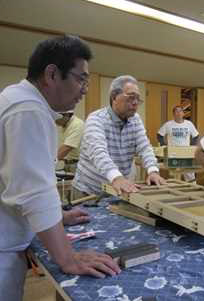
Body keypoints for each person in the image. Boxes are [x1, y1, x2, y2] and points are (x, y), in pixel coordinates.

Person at [0, 35, 120, 301]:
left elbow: (17, 180)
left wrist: (57, 215)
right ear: (52, 74)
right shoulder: (28, 110)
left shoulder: (16, 98)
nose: (85, 89)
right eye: (81, 79)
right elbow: (33, 192)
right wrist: (68, 258)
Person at [72, 75, 165, 198]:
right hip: (89, 191)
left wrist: (153, 171)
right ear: (114, 97)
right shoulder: (96, 119)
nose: (136, 102)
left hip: (117, 189)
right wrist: (116, 177)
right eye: (131, 97)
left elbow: (144, 147)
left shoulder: (135, 120)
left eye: (138, 98)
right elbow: (98, 152)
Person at [157, 105, 199, 181]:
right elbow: (159, 135)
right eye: (176, 111)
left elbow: (196, 136)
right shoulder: (168, 124)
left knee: (190, 174)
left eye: (180, 111)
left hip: (186, 153)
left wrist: (191, 146)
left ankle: (192, 190)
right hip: (173, 154)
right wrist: (163, 145)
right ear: (173, 114)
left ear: (183, 113)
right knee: (174, 174)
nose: (179, 113)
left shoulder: (189, 124)